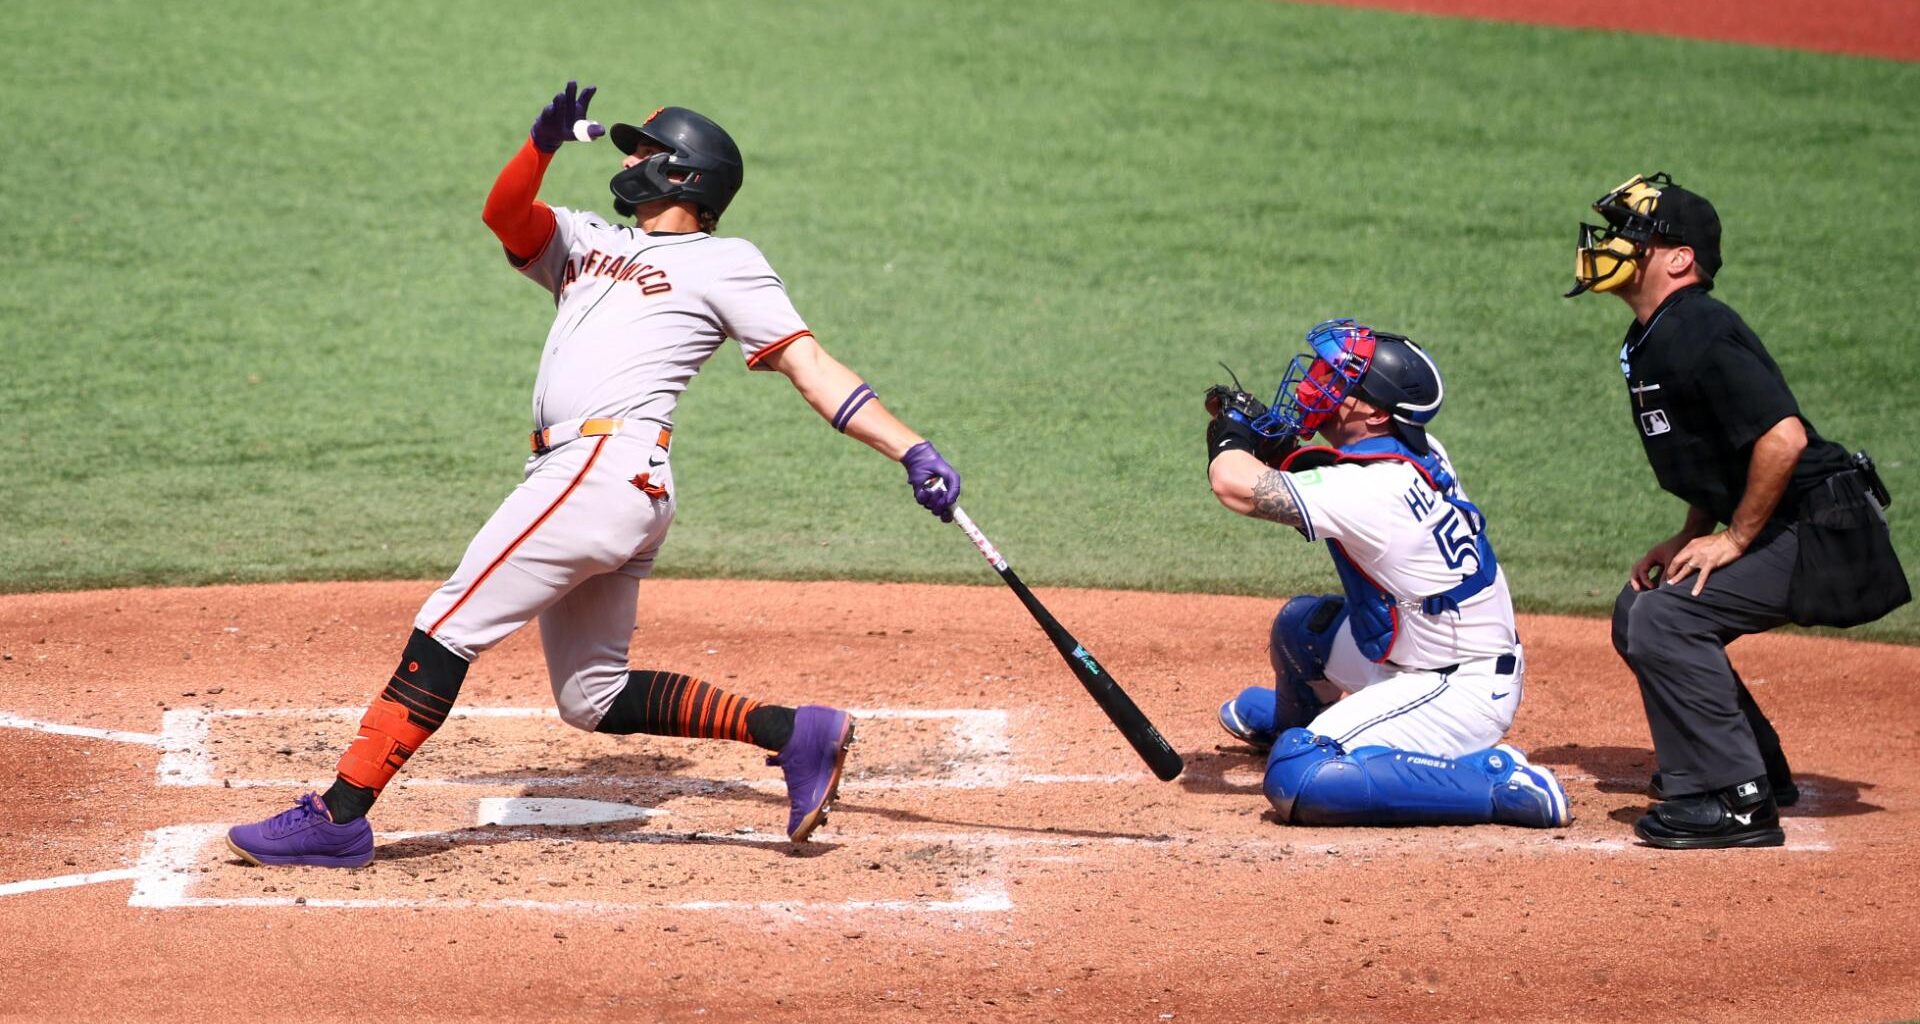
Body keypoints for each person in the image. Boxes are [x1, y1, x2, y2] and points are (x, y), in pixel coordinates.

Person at [226, 81, 963, 867]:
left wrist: (910, 447)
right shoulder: (584, 239)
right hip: (600, 479)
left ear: (685, 175)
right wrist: (537, 148)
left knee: (448, 623)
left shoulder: (726, 263)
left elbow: (808, 364)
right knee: (593, 698)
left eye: (644, 152)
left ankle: (340, 814)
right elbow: (504, 216)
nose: (629, 162)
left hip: (600, 468)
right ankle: (796, 732)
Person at [1568, 173, 1906, 849]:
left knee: (1667, 618)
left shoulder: (1701, 327)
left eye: (1634, 234)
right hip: (1797, 521)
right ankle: (1748, 768)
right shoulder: (1658, 333)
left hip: (1822, 529)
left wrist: (1736, 537)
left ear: (1678, 259)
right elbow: (1719, 452)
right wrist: (1692, 533)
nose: (1613, 244)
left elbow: (1783, 439)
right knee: (1641, 606)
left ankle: (1738, 801)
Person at [1204, 318, 1569, 830]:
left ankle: (1495, 783)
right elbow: (1323, 470)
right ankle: (1309, 725)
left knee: (1301, 774)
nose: (1319, 382)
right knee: (1301, 630)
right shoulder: (1413, 449)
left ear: (1375, 412)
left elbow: (1233, 485)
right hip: (1422, 651)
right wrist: (1274, 440)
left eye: (1340, 379)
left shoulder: (1375, 491)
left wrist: (1231, 440)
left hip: (1455, 690)